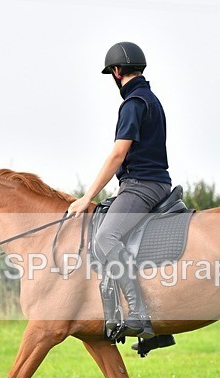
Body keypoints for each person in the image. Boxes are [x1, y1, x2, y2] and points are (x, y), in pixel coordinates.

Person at [68, 42, 172, 339]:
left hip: (142, 185)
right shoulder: (151, 99)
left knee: (105, 236)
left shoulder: (133, 103)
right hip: (152, 182)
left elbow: (117, 155)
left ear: (116, 72)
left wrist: (87, 197)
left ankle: (138, 313)